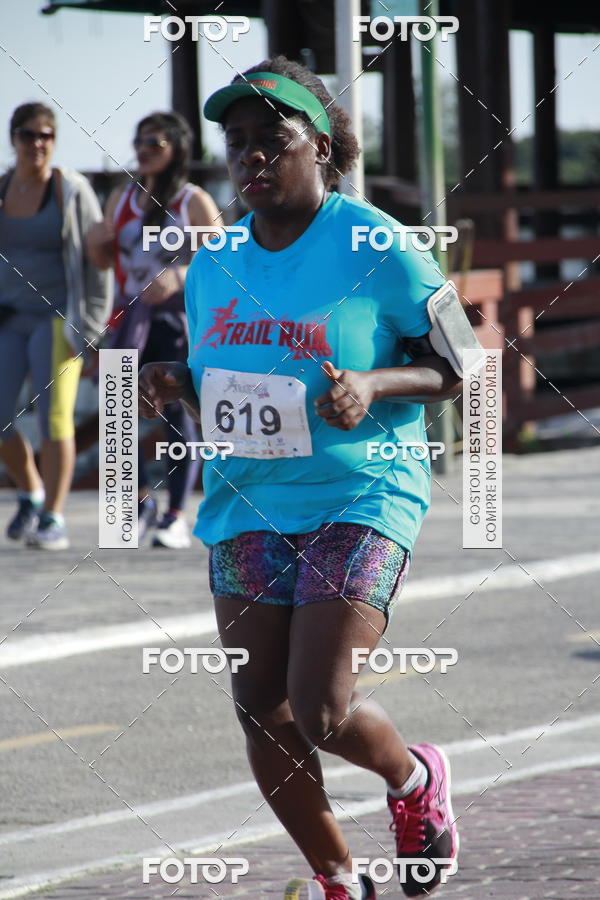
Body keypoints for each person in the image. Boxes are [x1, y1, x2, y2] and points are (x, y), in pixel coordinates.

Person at [138, 57, 463, 899]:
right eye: (235, 142)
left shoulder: (379, 245)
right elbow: (232, 382)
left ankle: (415, 781)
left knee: (318, 706)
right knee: (260, 706)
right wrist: (179, 384)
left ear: (320, 145)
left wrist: (376, 384)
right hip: (249, 500)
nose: (249, 157)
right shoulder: (214, 262)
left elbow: (462, 362)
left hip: (363, 491)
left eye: (271, 139)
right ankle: (337, 881)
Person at [87, 111, 222, 548]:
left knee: (179, 409)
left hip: (177, 317)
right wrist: (96, 244)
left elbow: (221, 259)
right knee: (117, 409)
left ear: (177, 150)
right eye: (140, 141)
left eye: (155, 143)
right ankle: (135, 503)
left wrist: (179, 276)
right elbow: (106, 263)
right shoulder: (123, 198)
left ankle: (177, 514)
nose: (143, 149)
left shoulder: (191, 200)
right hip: (130, 318)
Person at [0, 102, 111, 550]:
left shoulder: (71, 189)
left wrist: (91, 329)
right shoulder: (4, 188)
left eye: (46, 135)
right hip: (10, 316)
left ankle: (53, 516)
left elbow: (98, 260)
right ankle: (30, 491)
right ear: (14, 139)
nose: (37, 143)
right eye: (28, 135)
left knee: (55, 417)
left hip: (58, 317)